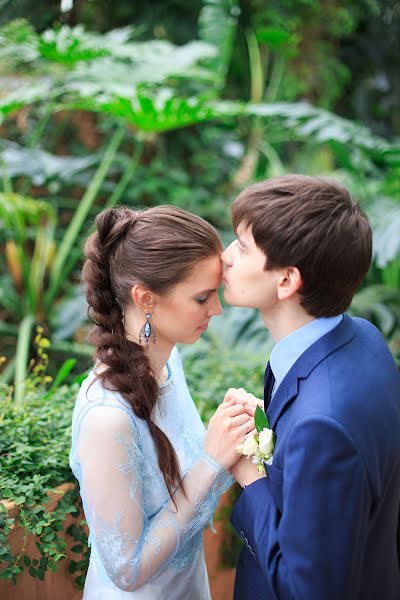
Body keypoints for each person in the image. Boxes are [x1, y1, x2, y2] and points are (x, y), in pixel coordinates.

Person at [221, 175, 400, 599]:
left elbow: (308, 590)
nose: (225, 256)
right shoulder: (362, 338)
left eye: (242, 247)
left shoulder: (322, 425)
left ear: (286, 280)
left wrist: (250, 478)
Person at [69, 206, 252, 599]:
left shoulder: (171, 366)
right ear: (145, 298)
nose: (217, 309)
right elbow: (127, 570)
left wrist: (235, 431)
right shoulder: (107, 419)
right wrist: (212, 461)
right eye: (202, 297)